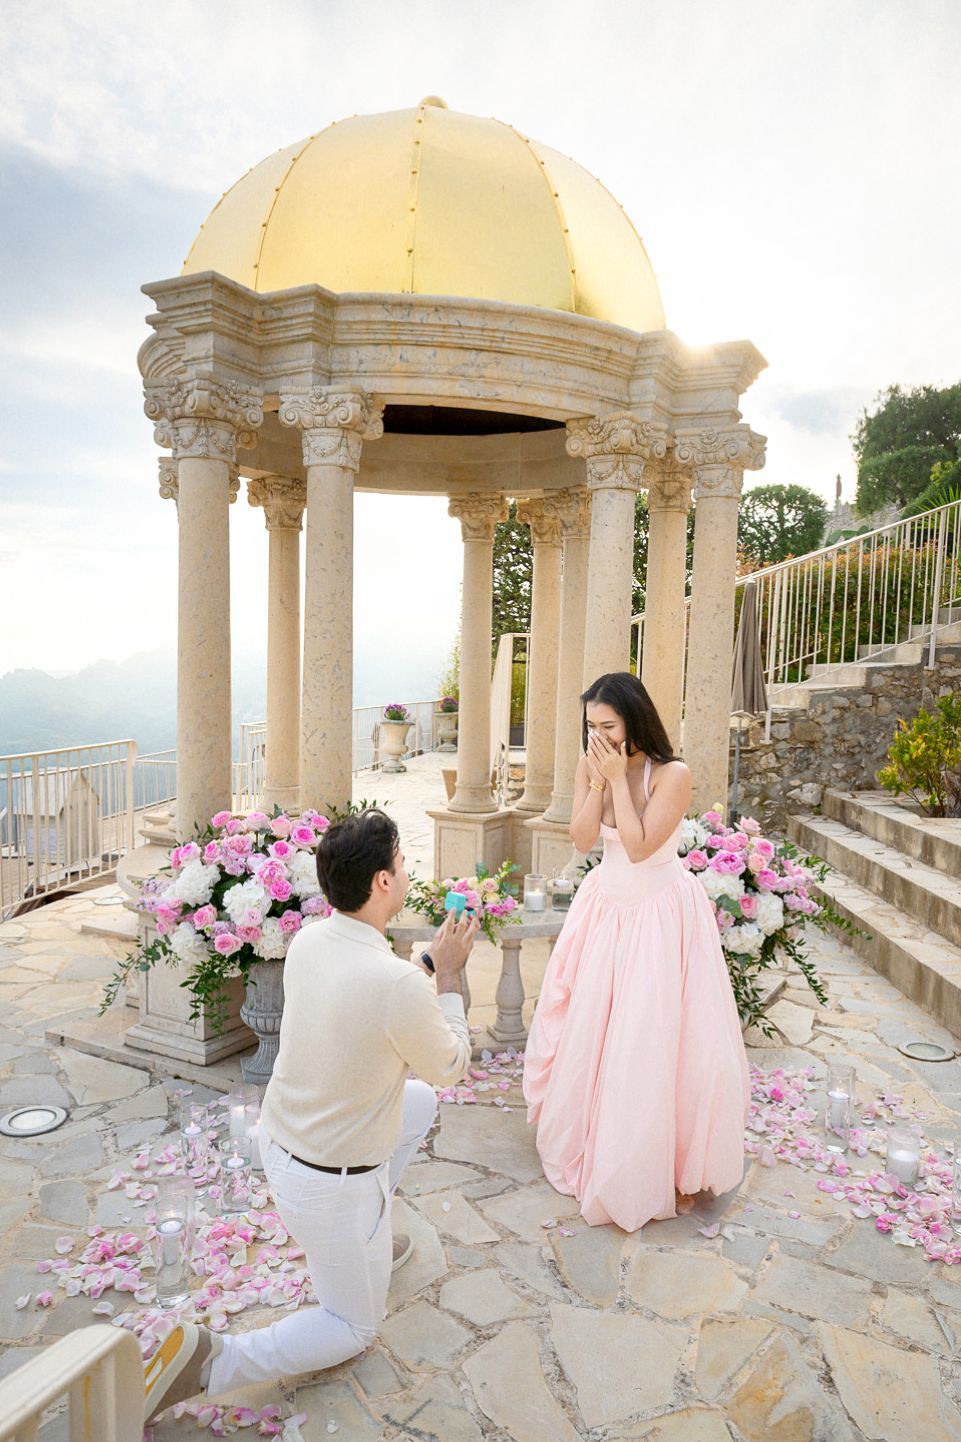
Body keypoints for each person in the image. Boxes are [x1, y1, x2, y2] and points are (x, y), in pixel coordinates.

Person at [144, 808, 478, 1424]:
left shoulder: (312, 940)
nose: (406, 874)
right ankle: (215, 1362)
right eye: (402, 865)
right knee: (354, 1326)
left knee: (417, 1105)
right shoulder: (393, 983)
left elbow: (375, 995)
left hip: (286, 1147)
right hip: (329, 1183)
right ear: (382, 882)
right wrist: (451, 973)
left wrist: (427, 964)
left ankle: (366, 1235)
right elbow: (451, 1063)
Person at [522, 672, 750, 1233]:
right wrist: (598, 782)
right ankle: (591, 1135)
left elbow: (644, 843)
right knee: (593, 1028)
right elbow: (580, 840)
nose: (596, 735)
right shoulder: (589, 765)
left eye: (607, 725)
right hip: (606, 906)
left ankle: (660, 1159)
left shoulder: (674, 774)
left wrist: (619, 781)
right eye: (590, 726)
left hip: (659, 912)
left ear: (634, 721)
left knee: (650, 1036)